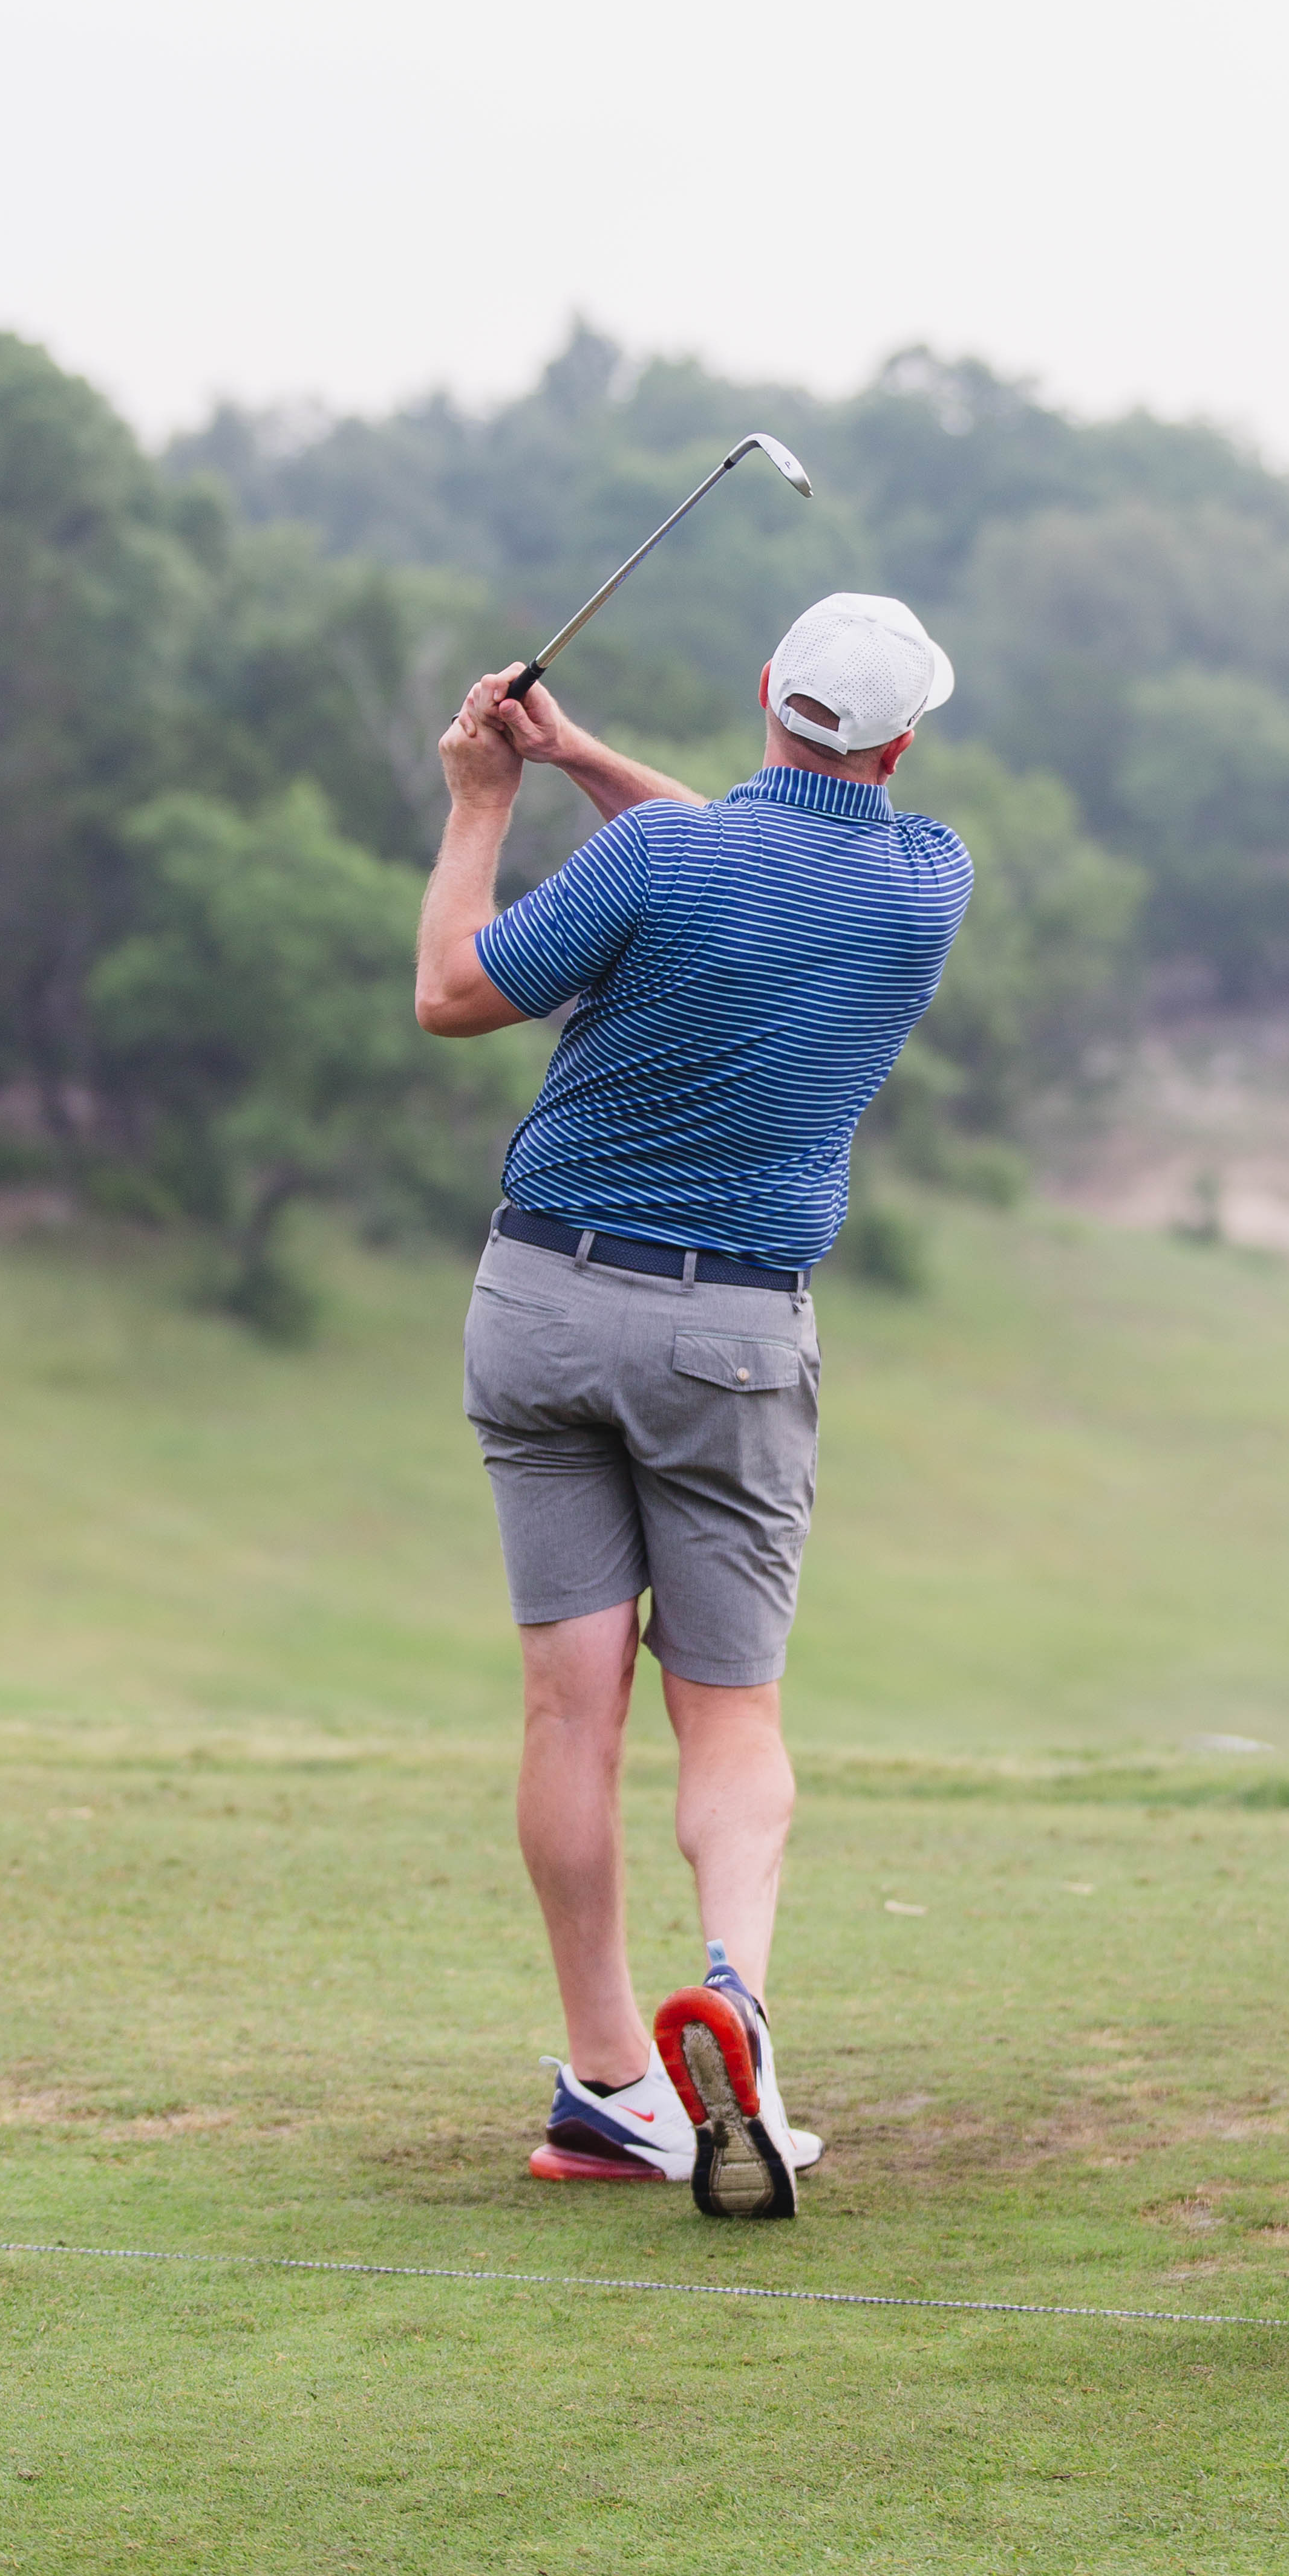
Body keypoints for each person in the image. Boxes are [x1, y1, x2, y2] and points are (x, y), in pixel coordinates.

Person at [415, 593, 971, 2218]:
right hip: (729, 1334)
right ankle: (731, 2000)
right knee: (725, 1714)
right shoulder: (922, 880)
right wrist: (578, 752)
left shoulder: (663, 864)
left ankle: (607, 2087)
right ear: (901, 739)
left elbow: (455, 989)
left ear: (764, 696)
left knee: (563, 1711)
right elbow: (749, 864)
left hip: (535, 1303)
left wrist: (483, 798)